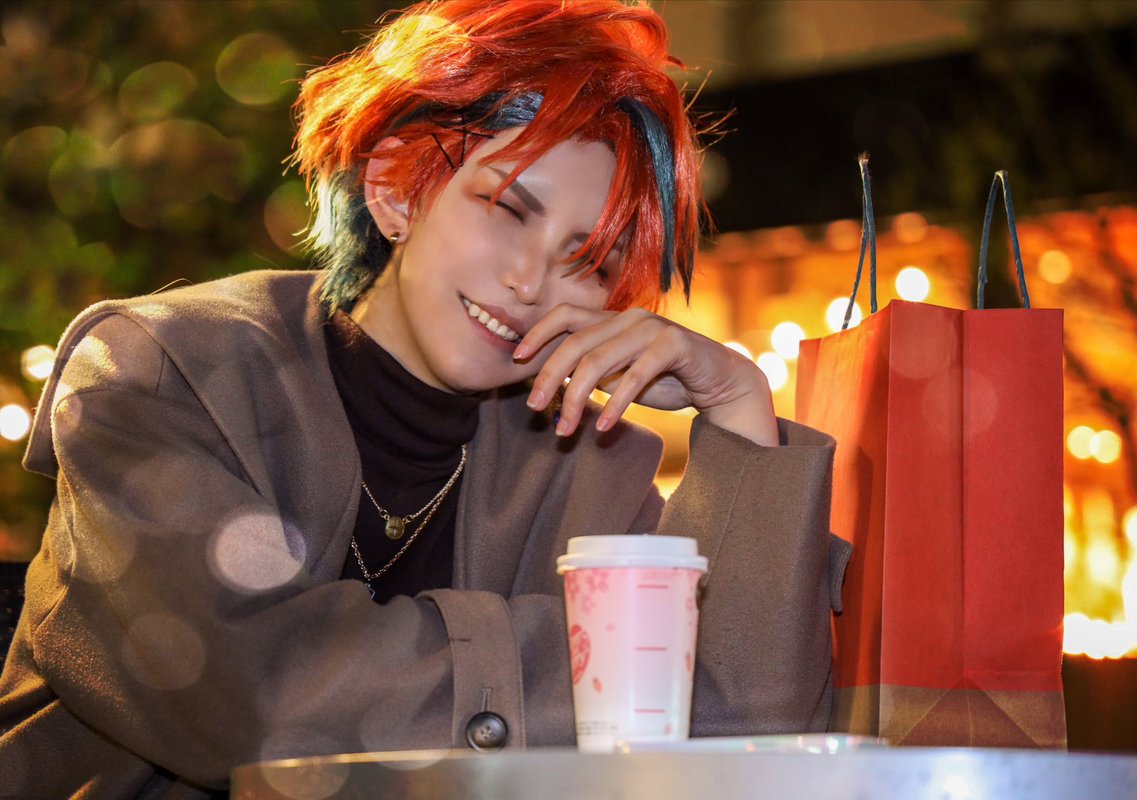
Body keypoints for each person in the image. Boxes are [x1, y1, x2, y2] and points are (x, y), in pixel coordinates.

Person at [0, 1, 850, 796]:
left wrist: (737, 407)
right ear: (397, 188)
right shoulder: (161, 370)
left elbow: (745, 729)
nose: (530, 282)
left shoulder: (585, 458)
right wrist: (596, 677)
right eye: (506, 208)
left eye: (587, 260)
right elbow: (260, 700)